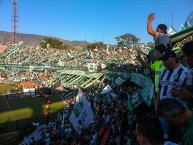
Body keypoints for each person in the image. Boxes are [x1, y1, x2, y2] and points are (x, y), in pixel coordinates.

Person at [155, 50, 188, 140]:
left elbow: (188, 92)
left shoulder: (185, 72)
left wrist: (181, 92)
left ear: (174, 58)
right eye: (163, 60)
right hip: (163, 113)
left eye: (166, 59)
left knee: (179, 135)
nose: (164, 62)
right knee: (165, 136)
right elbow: (160, 90)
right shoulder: (163, 72)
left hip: (178, 114)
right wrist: (156, 105)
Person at [172, 41, 193, 109]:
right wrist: (180, 92)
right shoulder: (188, 69)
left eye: (185, 56)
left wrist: (190, 95)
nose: (184, 59)